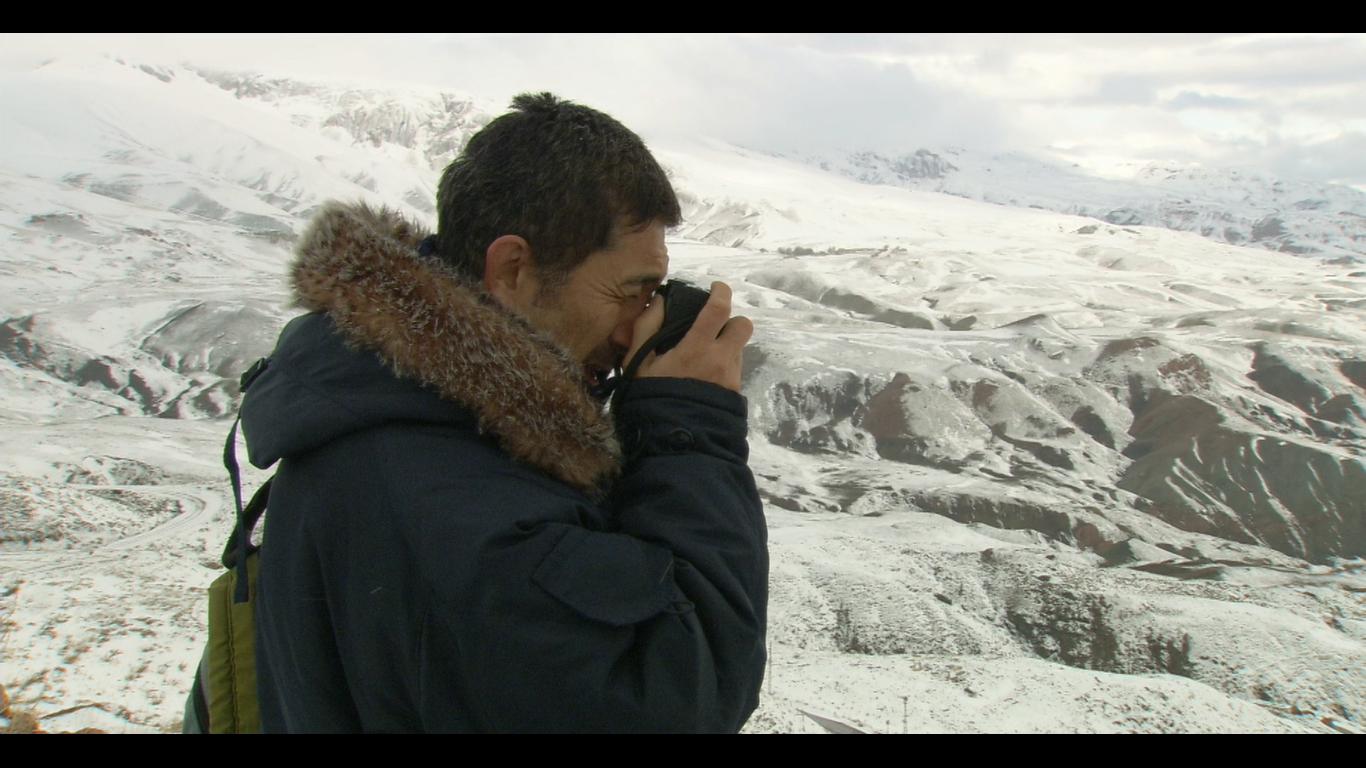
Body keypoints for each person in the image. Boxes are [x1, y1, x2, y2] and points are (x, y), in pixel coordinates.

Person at [242, 92, 768, 732]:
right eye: (631, 291)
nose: (634, 329)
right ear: (513, 269)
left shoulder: (394, 406)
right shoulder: (457, 511)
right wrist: (689, 431)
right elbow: (686, 697)